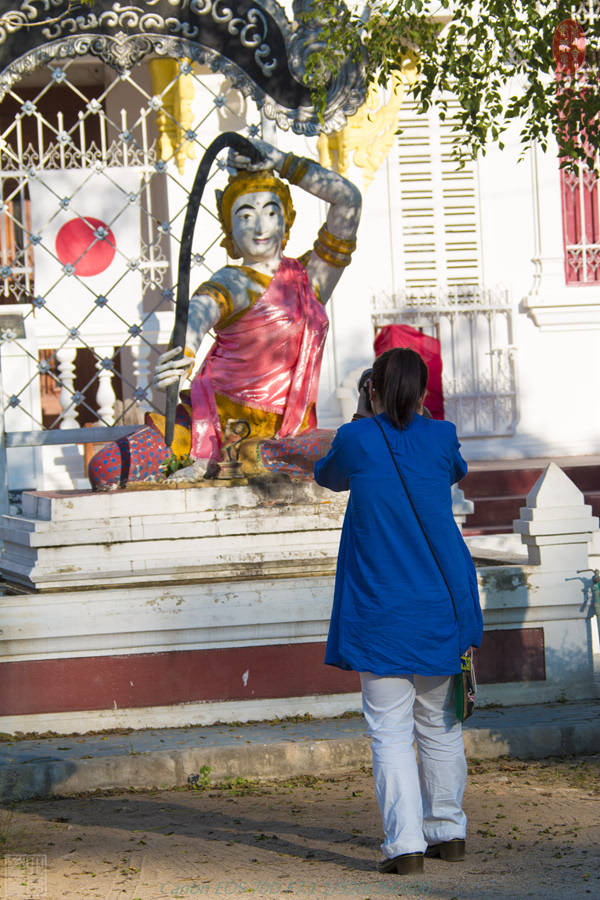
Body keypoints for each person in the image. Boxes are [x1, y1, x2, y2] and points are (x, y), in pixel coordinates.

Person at [313, 347, 483, 875]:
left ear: (371, 389)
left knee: (389, 731)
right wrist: (417, 419)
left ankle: (405, 845)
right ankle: (448, 832)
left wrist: (370, 417)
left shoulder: (357, 438)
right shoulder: (441, 435)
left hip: (380, 610)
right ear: (425, 390)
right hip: (441, 606)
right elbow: (453, 470)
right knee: (440, 726)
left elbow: (328, 476)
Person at [152, 136, 362, 482]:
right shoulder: (233, 280)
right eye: (245, 215)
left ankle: (253, 457)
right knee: (111, 465)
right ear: (230, 230)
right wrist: (183, 353)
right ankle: (236, 457)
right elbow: (200, 312)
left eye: (270, 211)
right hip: (212, 425)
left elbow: (349, 200)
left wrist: (280, 160)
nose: (260, 226)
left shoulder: (309, 280)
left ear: (286, 219)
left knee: (349, 449)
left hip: (286, 434)